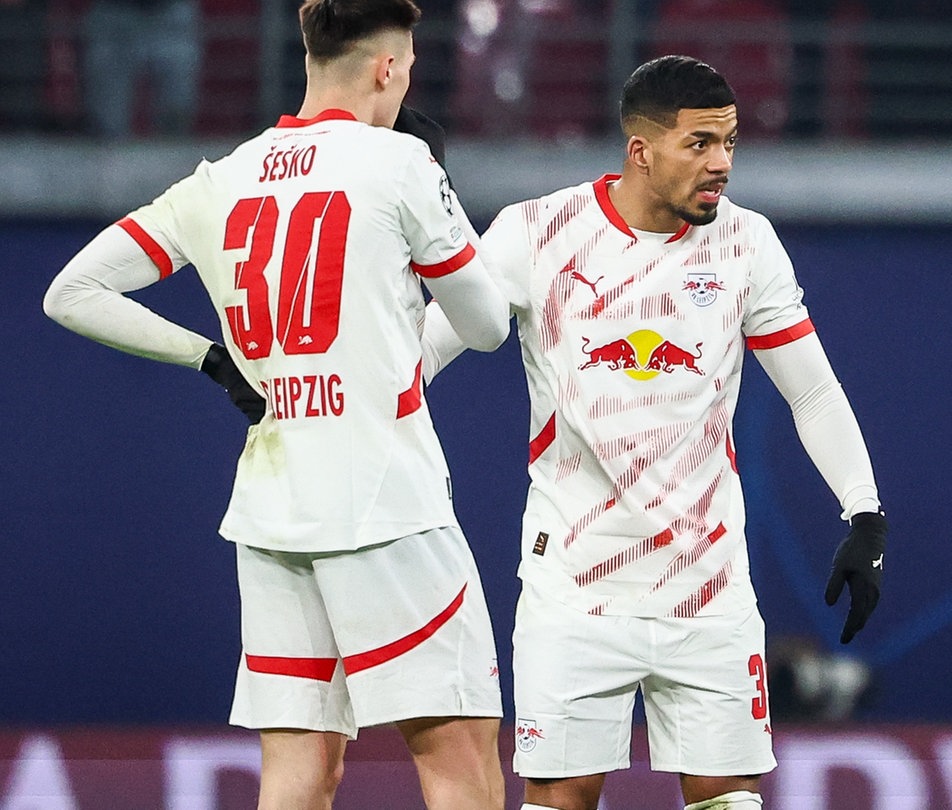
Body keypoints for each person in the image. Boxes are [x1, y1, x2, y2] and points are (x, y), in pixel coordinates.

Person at [43, 0, 511, 806]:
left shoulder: (219, 180)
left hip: (271, 512)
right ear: (388, 67)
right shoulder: (401, 164)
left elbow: (72, 292)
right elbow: (487, 324)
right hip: (388, 511)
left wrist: (210, 358)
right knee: (459, 763)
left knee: (298, 773)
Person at [422, 54, 888, 810]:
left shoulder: (747, 243)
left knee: (727, 802)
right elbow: (419, 356)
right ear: (640, 151)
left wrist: (864, 512)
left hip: (708, 585)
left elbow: (815, 392)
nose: (722, 164)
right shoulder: (534, 234)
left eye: (730, 143)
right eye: (700, 144)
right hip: (574, 585)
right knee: (560, 799)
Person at [82, 0, 201, 138]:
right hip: (112, 15)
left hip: (170, 14)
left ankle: (174, 156)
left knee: (176, 112)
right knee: (107, 124)